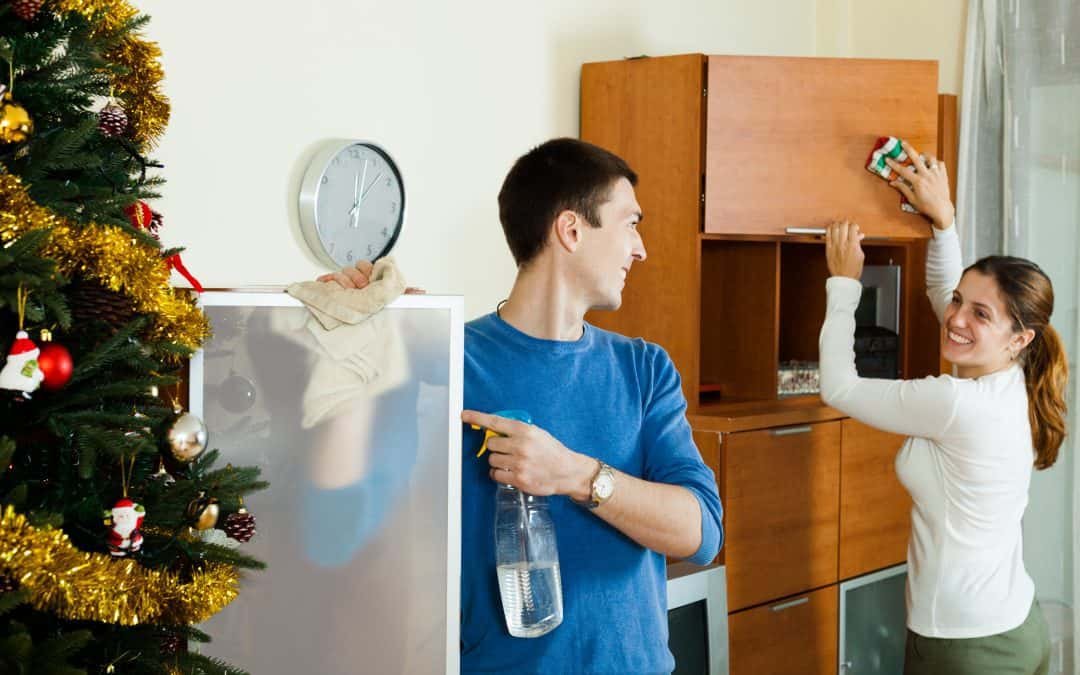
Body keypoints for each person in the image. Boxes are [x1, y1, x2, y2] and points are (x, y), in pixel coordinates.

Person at [321, 137, 724, 674]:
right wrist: (356, 329)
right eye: (630, 223)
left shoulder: (644, 368)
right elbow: (346, 517)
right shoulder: (444, 359)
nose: (640, 248)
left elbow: (701, 534)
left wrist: (576, 475)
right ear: (571, 229)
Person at [819, 140, 1065, 675]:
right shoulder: (1017, 375)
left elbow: (838, 388)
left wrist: (842, 281)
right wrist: (943, 220)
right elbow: (941, 294)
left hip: (965, 647)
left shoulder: (956, 401)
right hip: (1016, 625)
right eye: (960, 300)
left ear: (1018, 338)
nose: (956, 318)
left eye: (980, 313)